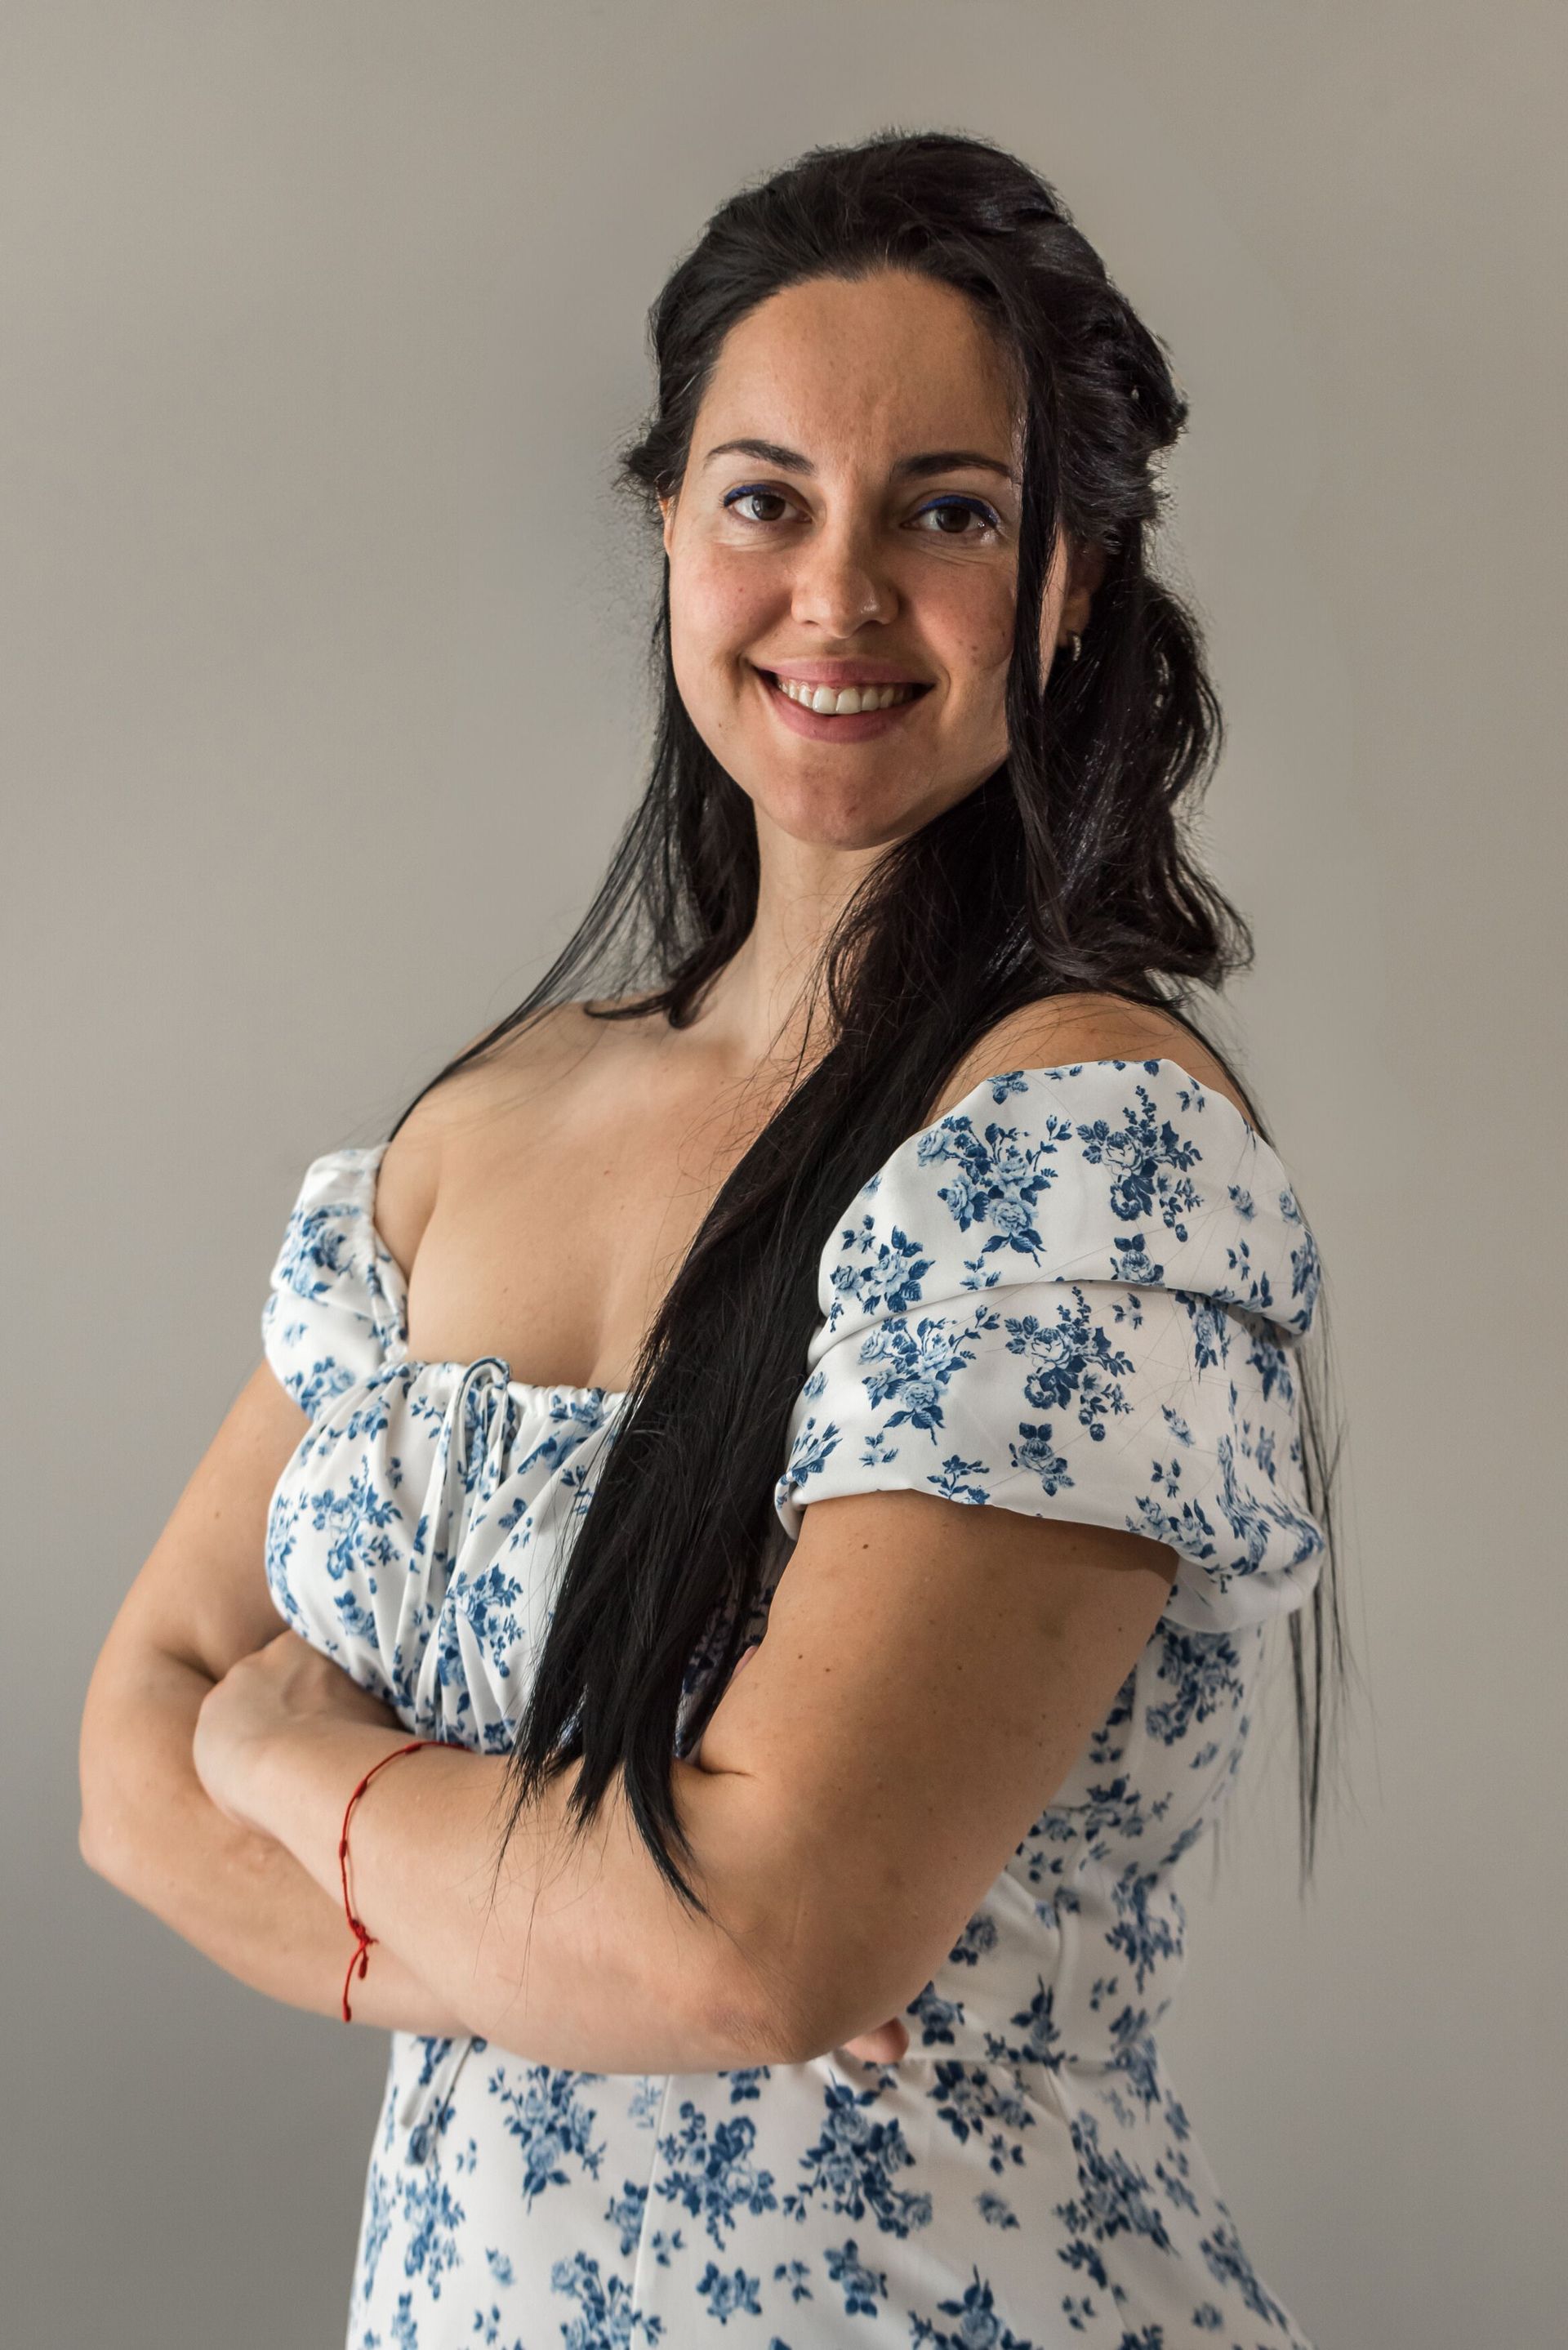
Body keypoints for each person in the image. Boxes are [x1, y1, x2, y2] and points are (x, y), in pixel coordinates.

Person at [79, 128, 1347, 2349]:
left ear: (1067, 580)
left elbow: (755, 1947)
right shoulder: (475, 1132)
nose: (837, 595)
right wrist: (589, 1955)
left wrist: (294, 1766)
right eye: (767, 500)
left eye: (949, 514)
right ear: (669, 524)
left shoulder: (1077, 1150)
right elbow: (127, 1761)